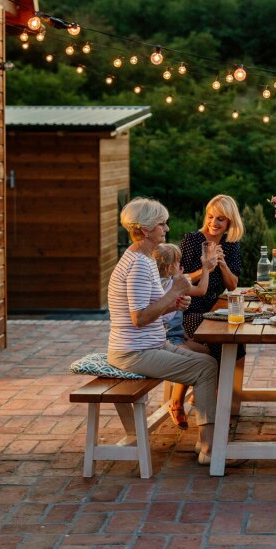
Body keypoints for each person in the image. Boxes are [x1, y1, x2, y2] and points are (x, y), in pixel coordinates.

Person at [107, 197, 220, 465]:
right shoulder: (138, 265)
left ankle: (208, 442)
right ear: (145, 230)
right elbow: (139, 318)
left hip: (150, 345)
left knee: (208, 361)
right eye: (162, 223)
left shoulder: (142, 258)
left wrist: (175, 300)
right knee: (206, 370)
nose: (167, 229)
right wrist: (174, 292)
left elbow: (154, 307)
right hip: (134, 352)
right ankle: (211, 450)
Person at [153, 242, 217, 428]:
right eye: (177, 262)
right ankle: (176, 404)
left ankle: (199, 392)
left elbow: (201, 290)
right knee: (196, 361)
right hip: (165, 338)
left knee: (209, 352)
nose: (181, 266)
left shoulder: (176, 282)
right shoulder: (154, 286)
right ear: (169, 266)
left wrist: (205, 269)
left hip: (178, 336)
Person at [180, 194, 244, 354]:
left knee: (237, 342)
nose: (213, 223)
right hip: (190, 307)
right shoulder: (192, 240)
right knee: (218, 342)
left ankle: (228, 380)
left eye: (220, 219)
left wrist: (222, 263)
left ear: (230, 221)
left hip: (215, 307)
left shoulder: (230, 244)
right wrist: (206, 268)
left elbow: (232, 285)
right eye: (210, 217)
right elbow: (180, 280)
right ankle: (212, 378)